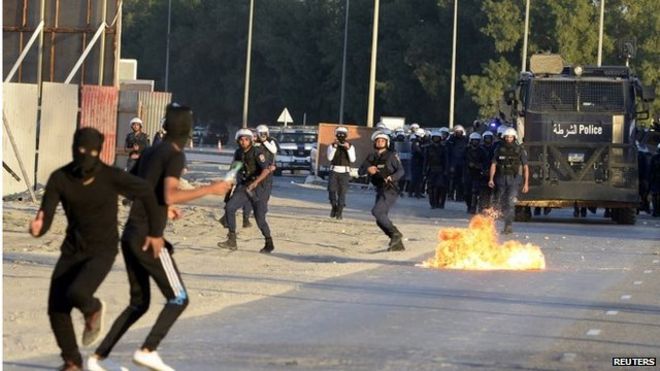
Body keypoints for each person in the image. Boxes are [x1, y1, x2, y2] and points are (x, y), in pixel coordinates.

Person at [88, 104, 232, 371]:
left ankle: (97, 358)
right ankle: (148, 350)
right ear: (188, 131)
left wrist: (165, 207)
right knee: (179, 298)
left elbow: (131, 189)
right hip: (149, 238)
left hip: (130, 234)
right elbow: (169, 194)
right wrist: (210, 189)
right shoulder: (175, 155)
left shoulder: (151, 151)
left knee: (139, 303)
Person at [29, 127, 164, 371]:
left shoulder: (111, 176)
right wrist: (39, 225)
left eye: (92, 152)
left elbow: (144, 190)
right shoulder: (60, 178)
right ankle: (72, 361)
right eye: (81, 150)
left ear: (99, 152)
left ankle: (94, 308)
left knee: (78, 292)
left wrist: (155, 230)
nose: (86, 155)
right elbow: (46, 215)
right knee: (56, 307)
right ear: (73, 148)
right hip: (72, 250)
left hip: (102, 249)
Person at [218, 129, 274, 253]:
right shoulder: (238, 153)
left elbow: (266, 170)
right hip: (244, 187)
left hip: (259, 188)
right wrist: (227, 184)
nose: (244, 142)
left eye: (246, 139)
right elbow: (233, 169)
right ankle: (232, 239)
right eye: (241, 140)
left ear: (251, 140)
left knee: (260, 219)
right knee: (230, 207)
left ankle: (269, 242)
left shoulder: (257, 152)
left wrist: (255, 183)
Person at [359, 131, 406, 251]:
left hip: (390, 189)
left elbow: (401, 171)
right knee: (379, 219)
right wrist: (368, 169)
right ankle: (397, 243)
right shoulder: (371, 156)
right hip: (379, 188)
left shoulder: (391, 156)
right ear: (374, 142)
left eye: (383, 140)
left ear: (387, 143)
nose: (380, 142)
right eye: (378, 140)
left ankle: (396, 234)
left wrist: (392, 177)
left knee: (377, 212)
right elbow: (361, 171)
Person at [488, 128, 529, 234]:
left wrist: (526, 183)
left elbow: (525, 167)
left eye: (511, 137)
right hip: (501, 178)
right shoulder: (498, 149)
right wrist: (491, 179)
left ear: (514, 137)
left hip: (514, 179)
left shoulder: (519, 149)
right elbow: (493, 164)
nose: (509, 139)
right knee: (500, 202)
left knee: (510, 202)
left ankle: (508, 225)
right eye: (507, 137)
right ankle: (493, 225)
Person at [327, 126, 356, 220]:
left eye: (343, 135)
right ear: (336, 135)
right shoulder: (331, 146)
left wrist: (347, 149)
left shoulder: (351, 146)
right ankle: (333, 206)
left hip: (345, 172)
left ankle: (339, 212)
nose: (341, 137)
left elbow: (353, 159)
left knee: (342, 192)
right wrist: (335, 147)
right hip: (334, 170)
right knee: (331, 190)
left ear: (346, 136)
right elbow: (330, 158)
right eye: (339, 134)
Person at [464, 132, 489, 214]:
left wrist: (478, 166)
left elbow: (485, 162)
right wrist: (468, 164)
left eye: (477, 140)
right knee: (466, 192)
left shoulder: (482, 151)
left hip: (477, 174)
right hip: (467, 173)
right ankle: (468, 205)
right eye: (473, 140)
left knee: (475, 191)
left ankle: (473, 207)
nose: (475, 142)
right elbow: (462, 160)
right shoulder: (466, 150)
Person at [424, 130, 449, 209]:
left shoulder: (443, 148)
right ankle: (433, 203)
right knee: (431, 187)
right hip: (431, 169)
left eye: (437, 138)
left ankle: (441, 203)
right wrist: (424, 170)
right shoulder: (428, 148)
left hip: (441, 169)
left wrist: (446, 170)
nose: (436, 139)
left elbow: (446, 160)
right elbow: (426, 160)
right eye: (434, 138)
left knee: (441, 187)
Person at [448, 125, 468, 201]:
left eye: (460, 132)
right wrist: (450, 165)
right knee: (452, 180)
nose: (459, 133)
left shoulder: (465, 139)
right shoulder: (451, 140)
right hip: (453, 162)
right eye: (457, 132)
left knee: (461, 181)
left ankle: (460, 196)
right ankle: (450, 195)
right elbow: (448, 152)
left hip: (462, 163)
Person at [650, 143, 660, 217]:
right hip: (656, 179)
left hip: (655, 179)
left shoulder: (655, 158)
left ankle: (656, 210)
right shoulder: (655, 158)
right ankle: (656, 210)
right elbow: (651, 169)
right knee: (655, 195)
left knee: (655, 195)